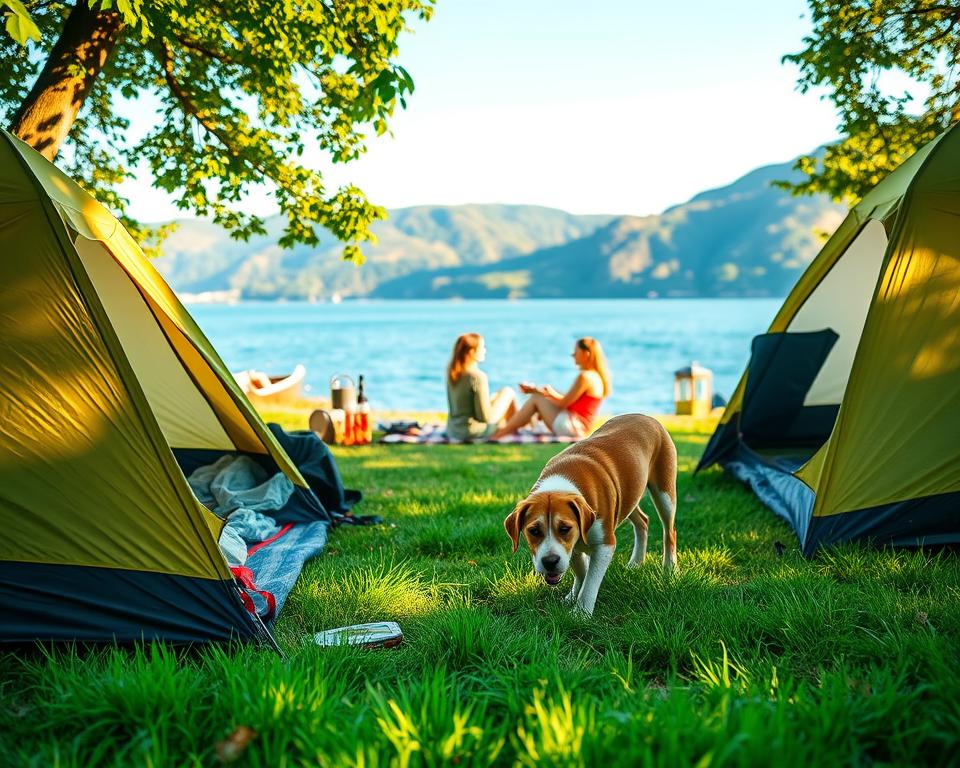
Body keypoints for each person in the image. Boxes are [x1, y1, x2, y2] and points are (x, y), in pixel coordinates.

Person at [491, 337, 611, 440]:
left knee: (536, 399)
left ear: (586, 354)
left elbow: (562, 404)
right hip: (579, 427)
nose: (573, 355)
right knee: (537, 396)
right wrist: (539, 391)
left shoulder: (585, 377)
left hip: (573, 427)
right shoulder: (595, 376)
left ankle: (500, 433)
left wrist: (545, 393)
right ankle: (508, 429)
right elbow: (571, 401)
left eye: (576, 352)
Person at [446, 333, 518, 441]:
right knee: (508, 392)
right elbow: (485, 418)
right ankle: (513, 428)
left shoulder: (452, 372)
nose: (485, 350)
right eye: (482, 347)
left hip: (453, 430)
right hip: (471, 432)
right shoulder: (477, 376)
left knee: (496, 396)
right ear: (472, 352)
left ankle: (513, 426)